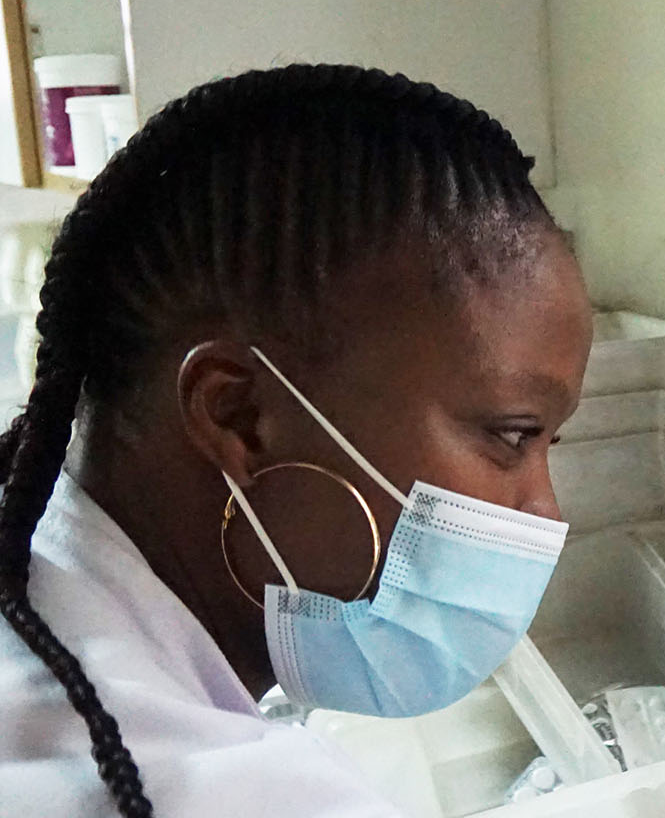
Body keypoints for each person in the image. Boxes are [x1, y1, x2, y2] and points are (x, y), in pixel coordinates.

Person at [0, 64, 594, 816]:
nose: (546, 514)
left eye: (552, 445)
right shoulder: (222, 793)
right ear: (239, 417)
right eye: (512, 435)